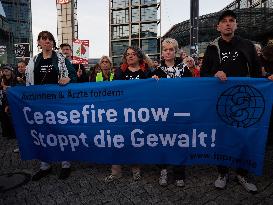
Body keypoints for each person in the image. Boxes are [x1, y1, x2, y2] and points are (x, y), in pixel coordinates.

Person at [201, 10, 264, 193]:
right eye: (224, 21)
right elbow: (204, 73)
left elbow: (256, 73)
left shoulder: (247, 45)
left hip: (244, 100)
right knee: (222, 137)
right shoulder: (212, 48)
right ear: (218, 26)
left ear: (236, 25)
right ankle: (222, 172)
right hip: (221, 102)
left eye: (232, 21)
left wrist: (265, 82)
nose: (228, 24)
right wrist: (214, 74)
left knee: (243, 137)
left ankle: (242, 173)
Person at [26, 31, 77, 181]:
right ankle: (45, 166)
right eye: (44, 39)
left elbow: (73, 76)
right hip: (39, 104)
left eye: (49, 39)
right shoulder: (34, 60)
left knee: (61, 132)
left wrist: (68, 78)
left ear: (53, 42)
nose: (47, 41)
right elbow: (28, 82)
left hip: (58, 103)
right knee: (42, 134)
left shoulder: (61, 59)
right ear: (39, 42)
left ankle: (65, 164)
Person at [104, 46, 154, 182]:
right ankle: (116, 172)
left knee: (135, 140)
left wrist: (155, 79)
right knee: (117, 140)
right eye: (127, 54)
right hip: (121, 111)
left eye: (133, 54)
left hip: (139, 112)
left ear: (139, 56)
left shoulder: (147, 71)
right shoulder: (120, 71)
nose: (130, 56)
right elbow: (115, 90)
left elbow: (152, 89)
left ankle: (136, 169)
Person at [152, 38, 191, 187]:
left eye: (171, 50)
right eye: (165, 50)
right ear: (162, 52)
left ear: (175, 52)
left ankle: (179, 173)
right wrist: (152, 82)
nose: (168, 52)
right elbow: (153, 94)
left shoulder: (184, 69)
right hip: (163, 113)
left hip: (180, 111)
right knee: (163, 141)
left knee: (180, 142)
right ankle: (163, 170)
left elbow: (191, 88)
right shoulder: (157, 71)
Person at [0, 65, 17, 139]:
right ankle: (6, 133)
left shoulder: (15, 79)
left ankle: (13, 134)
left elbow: (16, 89)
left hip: (11, 101)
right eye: (4, 70)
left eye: (8, 70)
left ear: (11, 71)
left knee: (11, 118)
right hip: (3, 100)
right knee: (4, 117)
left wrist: (7, 88)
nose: (6, 71)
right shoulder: (2, 80)